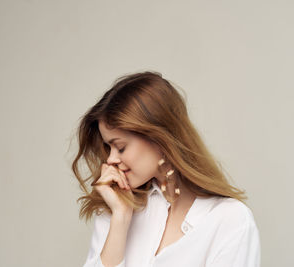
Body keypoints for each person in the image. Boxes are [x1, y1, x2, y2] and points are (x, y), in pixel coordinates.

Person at [71, 71, 261, 267]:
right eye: (108, 148)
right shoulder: (116, 209)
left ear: (159, 139)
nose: (110, 159)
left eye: (120, 147)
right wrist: (120, 218)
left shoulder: (230, 221)